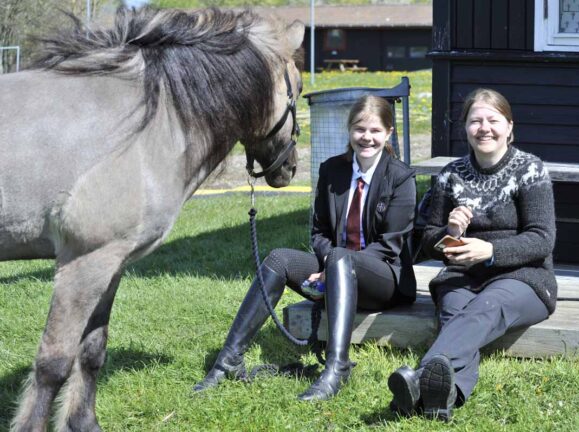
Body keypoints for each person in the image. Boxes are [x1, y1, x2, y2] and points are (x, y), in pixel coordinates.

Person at [194, 95, 417, 400]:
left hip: (384, 280)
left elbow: (390, 246)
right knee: (278, 259)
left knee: (340, 257)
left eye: (375, 130)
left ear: (388, 133)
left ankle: (337, 368)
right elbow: (319, 233)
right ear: (349, 130)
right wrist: (331, 267)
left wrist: (336, 266)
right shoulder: (332, 171)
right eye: (359, 129)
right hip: (335, 268)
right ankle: (228, 361)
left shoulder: (401, 177)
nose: (367, 137)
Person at [387, 88, 557, 421]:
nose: (484, 128)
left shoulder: (530, 170)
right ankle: (444, 398)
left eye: (493, 120)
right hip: (462, 276)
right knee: (454, 315)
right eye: (475, 121)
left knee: (484, 309)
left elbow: (542, 239)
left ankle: (419, 378)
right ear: (465, 127)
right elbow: (429, 242)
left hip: (523, 278)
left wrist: (490, 251)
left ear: (509, 126)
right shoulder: (450, 175)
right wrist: (451, 232)